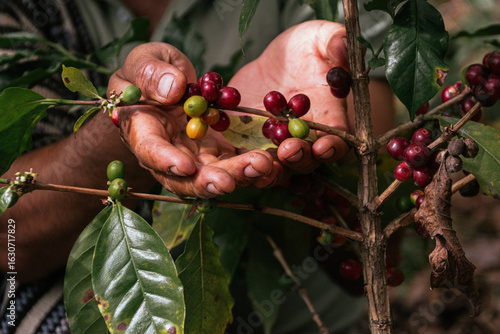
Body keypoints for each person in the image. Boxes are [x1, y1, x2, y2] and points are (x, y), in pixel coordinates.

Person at [0, 0, 393, 333]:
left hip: (316, 317)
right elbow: (10, 237)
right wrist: (119, 135)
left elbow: (372, 144)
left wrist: (340, 94)